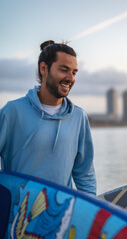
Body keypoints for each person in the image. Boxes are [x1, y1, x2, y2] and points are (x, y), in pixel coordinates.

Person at [0, 40, 96, 195]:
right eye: (64, 70)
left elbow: (85, 174)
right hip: (18, 214)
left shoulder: (78, 117)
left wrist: (90, 213)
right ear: (44, 68)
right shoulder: (12, 112)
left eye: (74, 72)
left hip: (60, 214)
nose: (70, 78)